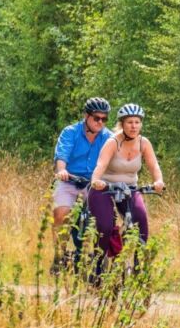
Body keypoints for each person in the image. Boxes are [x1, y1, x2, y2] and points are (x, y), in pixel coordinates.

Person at [88, 103, 165, 256]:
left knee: (140, 221)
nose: (134, 126)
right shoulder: (112, 142)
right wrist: (96, 180)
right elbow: (100, 165)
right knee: (105, 226)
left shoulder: (144, 143)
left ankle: (139, 268)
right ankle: (97, 266)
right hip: (104, 189)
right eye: (130, 122)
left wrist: (158, 181)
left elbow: (154, 165)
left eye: (137, 122)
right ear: (122, 124)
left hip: (130, 189)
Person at [52, 97, 113, 269]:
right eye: (96, 118)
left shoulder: (109, 138)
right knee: (61, 213)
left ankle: (100, 260)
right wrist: (62, 170)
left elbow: (113, 161)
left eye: (104, 119)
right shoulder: (70, 132)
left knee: (105, 219)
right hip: (70, 180)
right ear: (86, 116)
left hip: (94, 184)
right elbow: (62, 154)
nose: (100, 122)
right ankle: (59, 256)